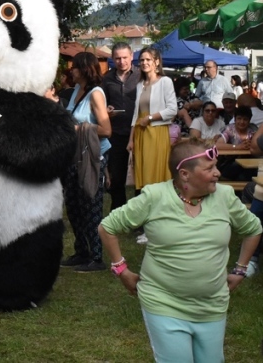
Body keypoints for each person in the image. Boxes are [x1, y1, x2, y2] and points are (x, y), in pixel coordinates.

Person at [99, 139, 261, 363]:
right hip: (163, 303)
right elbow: (107, 228)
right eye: (209, 168)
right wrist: (121, 269)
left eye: (216, 166)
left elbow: (253, 228)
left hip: (212, 304)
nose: (217, 173)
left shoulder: (224, 197)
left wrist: (240, 269)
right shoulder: (154, 197)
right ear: (185, 174)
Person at [61, 52, 111, 272]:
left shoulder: (96, 94)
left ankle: (97, 257)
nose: (71, 70)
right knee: (73, 205)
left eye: (75, 67)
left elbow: (106, 129)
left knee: (91, 204)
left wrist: (77, 129)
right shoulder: (75, 92)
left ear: (85, 69)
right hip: (75, 155)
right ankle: (82, 251)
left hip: (92, 155)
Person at [128, 47, 177, 244]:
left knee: (155, 180)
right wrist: (131, 139)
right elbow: (135, 115)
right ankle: (149, 225)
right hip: (140, 135)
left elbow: (172, 109)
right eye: (142, 60)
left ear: (157, 62)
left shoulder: (165, 82)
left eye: (148, 59)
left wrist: (149, 118)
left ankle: (157, 227)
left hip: (156, 133)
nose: (145, 63)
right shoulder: (140, 84)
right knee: (144, 181)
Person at [101, 42, 140, 211]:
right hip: (115, 132)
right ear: (112, 59)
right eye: (117, 58)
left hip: (139, 131)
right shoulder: (107, 78)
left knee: (141, 176)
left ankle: (139, 213)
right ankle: (119, 211)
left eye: (125, 57)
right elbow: (101, 102)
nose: (121, 61)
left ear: (131, 56)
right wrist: (107, 110)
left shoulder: (141, 75)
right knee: (116, 177)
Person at [214, 106, 258, 181]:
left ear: (249, 120)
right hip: (229, 163)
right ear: (235, 119)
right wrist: (238, 147)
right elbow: (217, 145)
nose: (242, 122)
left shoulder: (253, 129)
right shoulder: (229, 129)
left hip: (249, 163)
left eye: (245, 119)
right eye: (239, 118)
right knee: (238, 166)